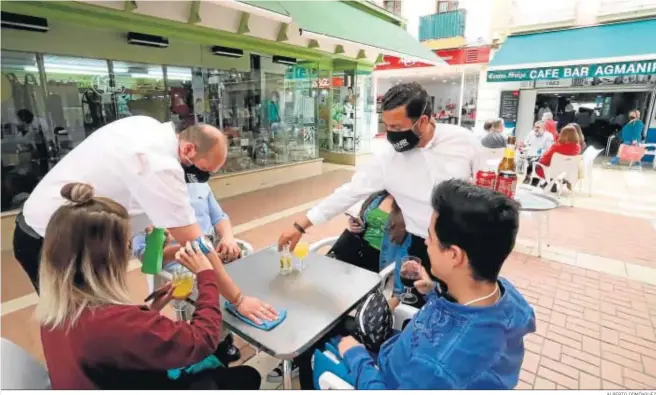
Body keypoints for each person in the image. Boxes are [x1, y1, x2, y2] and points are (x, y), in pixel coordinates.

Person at [272, 82, 480, 381]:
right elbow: (349, 192)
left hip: (463, 246)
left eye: (398, 126)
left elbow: (489, 181)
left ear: (423, 120)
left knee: (463, 315)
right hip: (422, 245)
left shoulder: (463, 141)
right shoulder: (387, 158)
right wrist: (301, 224)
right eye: (386, 125)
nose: (391, 133)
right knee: (423, 315)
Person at [13, 116, 276, 324]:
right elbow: (197, 246)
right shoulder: (161, 166)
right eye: (204, 171)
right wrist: (239, 299)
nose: (202, 180)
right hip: (49, 239)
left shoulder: (146, 126)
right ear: (188, 149)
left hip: (69, 233)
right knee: (71, 324)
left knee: (93, 317)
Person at [302, 179, 535, 389]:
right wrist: (434, 292)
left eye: (431, 237)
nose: (425, 242)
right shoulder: (504, 295)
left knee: (312, 345)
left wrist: (356, 356)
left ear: (455, 255)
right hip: (400, 354)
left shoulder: (438, 365)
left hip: (383, 376)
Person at [37, 183, 261, 390]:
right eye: (125, 245)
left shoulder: (53, 314)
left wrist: (150, 311)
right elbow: (202, 340)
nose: (127, 253)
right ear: (105, 257)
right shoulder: (116, 323)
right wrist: (207, 275)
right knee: (247, 376)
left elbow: (118, 342)